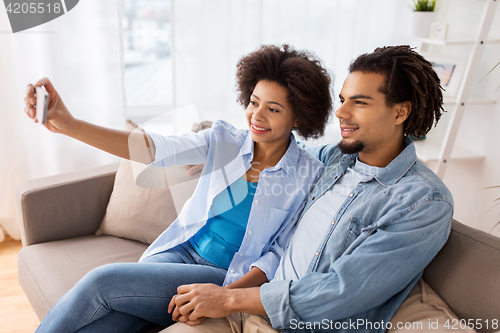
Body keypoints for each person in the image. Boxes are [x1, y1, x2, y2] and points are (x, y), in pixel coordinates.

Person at [23, 45, 333, 332]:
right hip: (177, 252)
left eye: (274, 109)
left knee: (102, 281)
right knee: (110, 325)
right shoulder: (224, 139)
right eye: (254, 102)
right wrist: (70, 125)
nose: (257, 116)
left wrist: (223, 296)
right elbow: (154, 149)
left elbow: (279, 253)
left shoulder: (307, 175)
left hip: (222, 274)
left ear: (298, 117)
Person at [163, 45, 453, 333]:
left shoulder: (424, 201)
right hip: (247, 311)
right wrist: (231, 160)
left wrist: (228, 298)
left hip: (294, 323)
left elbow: (343, 290)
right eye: (342, 100)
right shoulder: (335, 159)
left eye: (359, 102)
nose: (340, 112)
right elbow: (283, 152)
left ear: (400, 112)